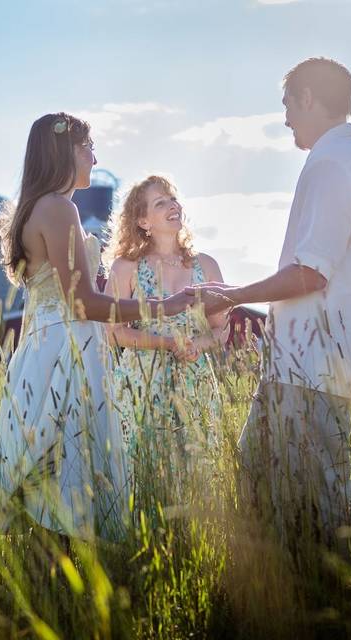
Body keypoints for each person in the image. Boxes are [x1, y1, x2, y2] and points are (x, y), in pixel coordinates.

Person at [0, 113, 195, 542]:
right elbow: (84, 302)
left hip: (51, 344)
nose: (94, 155)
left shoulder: (42, 208)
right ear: (64, 152)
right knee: (66, 467)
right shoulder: (57, 208)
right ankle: (61, 580)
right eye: (87, 146)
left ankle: (53, 579)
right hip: (64, 350)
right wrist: (164, 306)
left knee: (47, 466)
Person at [191, 58, 351, 553]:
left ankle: (332, 605)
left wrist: (232, 296)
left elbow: (310, 272)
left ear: (307, 99)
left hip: (313, 368)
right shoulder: (342, 161)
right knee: (255, 477)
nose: (285, 119)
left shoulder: (332, 165)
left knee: (321, 506)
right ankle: (276, 592)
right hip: (298, 367)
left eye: (287, 105)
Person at [103, 175, 228, 504]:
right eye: (161, 203)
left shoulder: (207, 266)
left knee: (197, 476)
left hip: (194, 382)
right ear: (143, 221)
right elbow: (114, 332)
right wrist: (166, 343)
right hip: (141, 383)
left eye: (173, 199)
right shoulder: (126, 268)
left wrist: (199, 345)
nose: (173, 205)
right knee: (142, 477)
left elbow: (221, 329)